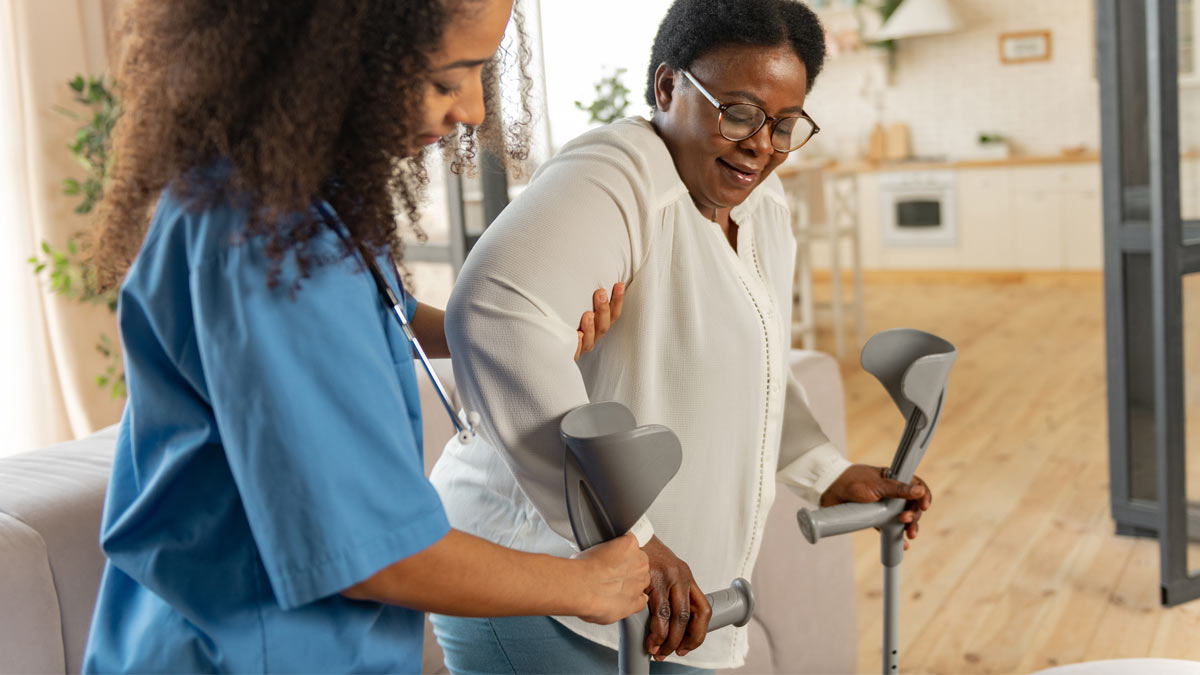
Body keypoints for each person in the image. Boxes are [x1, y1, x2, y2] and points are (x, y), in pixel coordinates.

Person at [81, 0, 647, 672]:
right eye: (447, 80)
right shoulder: (268, 244)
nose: (472, 111)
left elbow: (384, 309)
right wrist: (585, 584)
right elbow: (376, 550)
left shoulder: (306, 195)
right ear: (337, 56)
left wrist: (511, 329)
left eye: (480, 75)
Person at [430, 0, 934, 672]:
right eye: (740, 110)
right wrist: (630, 535)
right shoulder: (618, 171)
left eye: (785, 125)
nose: (761, 143)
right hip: (543, 586)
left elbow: (752, 365)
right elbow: (493, 311)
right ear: (669, 87)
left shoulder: (759, 204)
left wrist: (826, 472)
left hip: (663, 604)